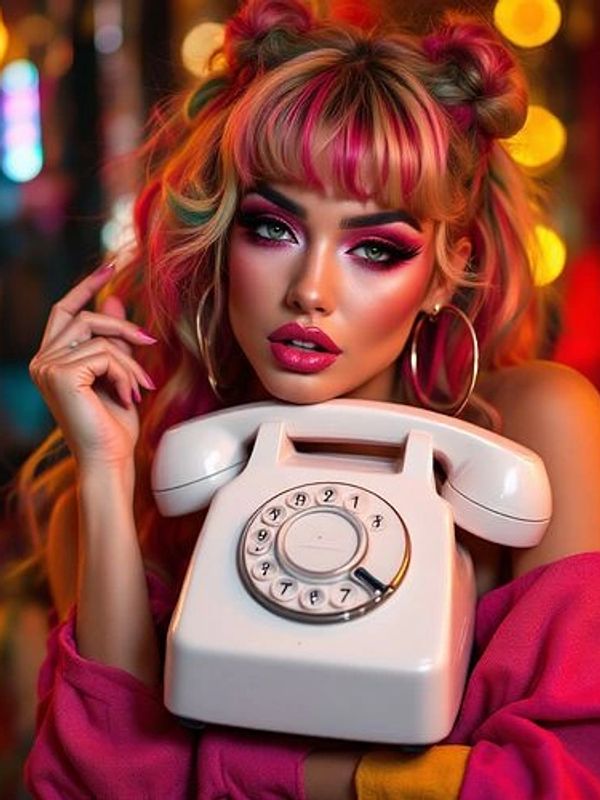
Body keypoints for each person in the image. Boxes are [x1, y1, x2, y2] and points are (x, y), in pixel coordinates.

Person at [16, 0, 600, 796]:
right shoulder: (132, 480)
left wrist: (211, 767)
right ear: (223, 237)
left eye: (375, 248)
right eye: (272, 229)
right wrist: (105, 469)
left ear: (444, 271)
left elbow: (562, 778)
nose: (311, 292)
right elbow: (100, 782)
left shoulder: (537, 423)